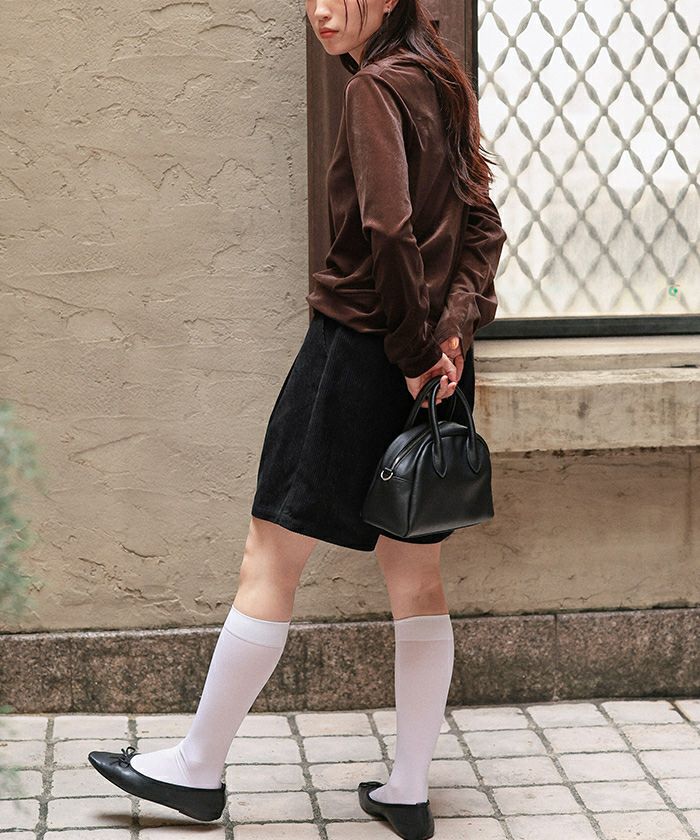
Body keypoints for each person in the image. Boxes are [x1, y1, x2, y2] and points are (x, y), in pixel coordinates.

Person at [87, 1, 507, 838]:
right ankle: (407, 789)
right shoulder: (442, 81)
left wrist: (415, 347)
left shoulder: (376, 88)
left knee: (271, 554)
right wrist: (449, 335)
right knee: (415, 576)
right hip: (429, 366)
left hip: (360, 357)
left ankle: (199, 769)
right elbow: (482, 228)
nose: (319, 9)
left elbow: (388, 229)